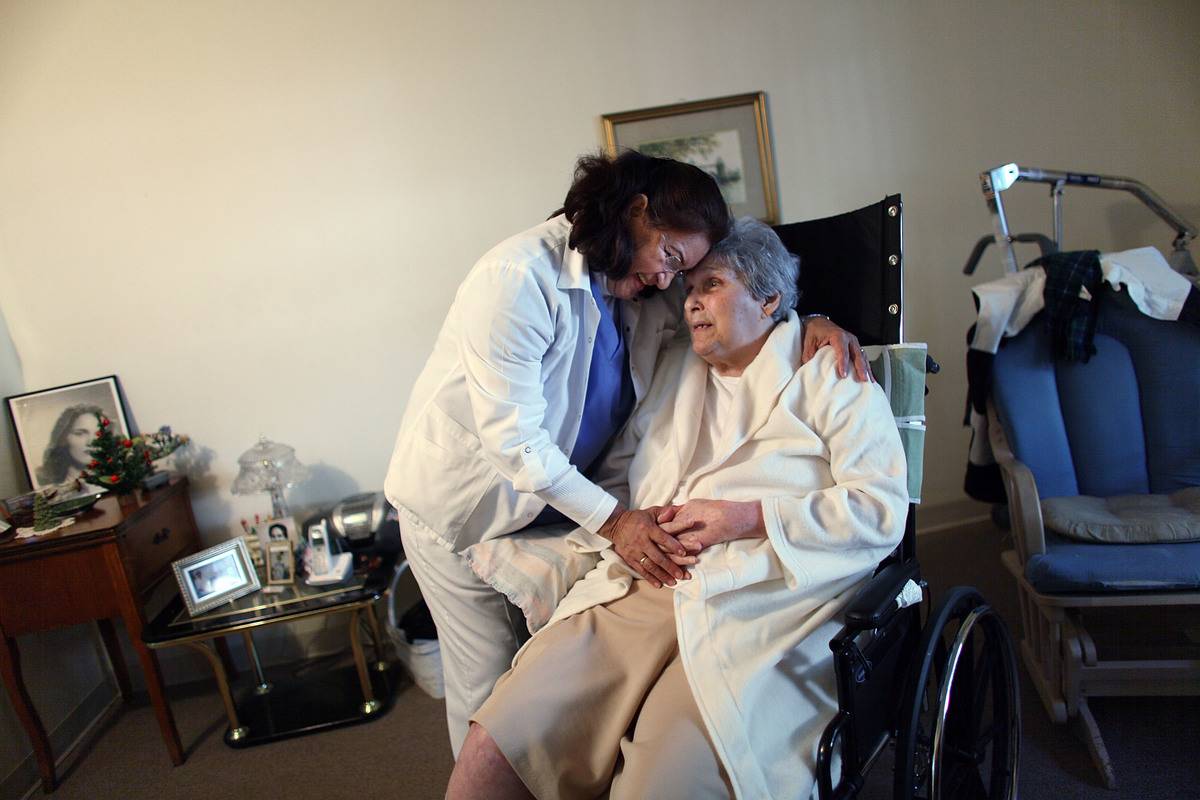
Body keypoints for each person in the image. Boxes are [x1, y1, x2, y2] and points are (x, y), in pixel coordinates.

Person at [384, 152, 872, 754]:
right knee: (487, 687)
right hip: (463, 508)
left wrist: (813, 320)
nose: (670, 283)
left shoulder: (641, 282)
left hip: (558, 504)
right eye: (669, 258)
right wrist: (618, 524)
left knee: (546, 669)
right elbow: (514, 442)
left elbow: (749, 291)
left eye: (682, 271)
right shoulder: (517, 279)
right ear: (635, 213)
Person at [448, 218, 909, 799]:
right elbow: (616, 476)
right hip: (645, 582)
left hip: (767, 598)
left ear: (769, 299)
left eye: (710, 285)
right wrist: (622, 528)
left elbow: (880, 508)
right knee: (500, 742)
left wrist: (748, 517)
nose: (690, 301)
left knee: (663, 782)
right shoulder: (672, 370)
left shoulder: (831, 372)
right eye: (687, 288)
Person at [36, 404, 103, 486]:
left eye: (99, 434)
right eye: (80, 433)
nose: (91, 442)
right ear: (63, 438)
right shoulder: (45, 484)